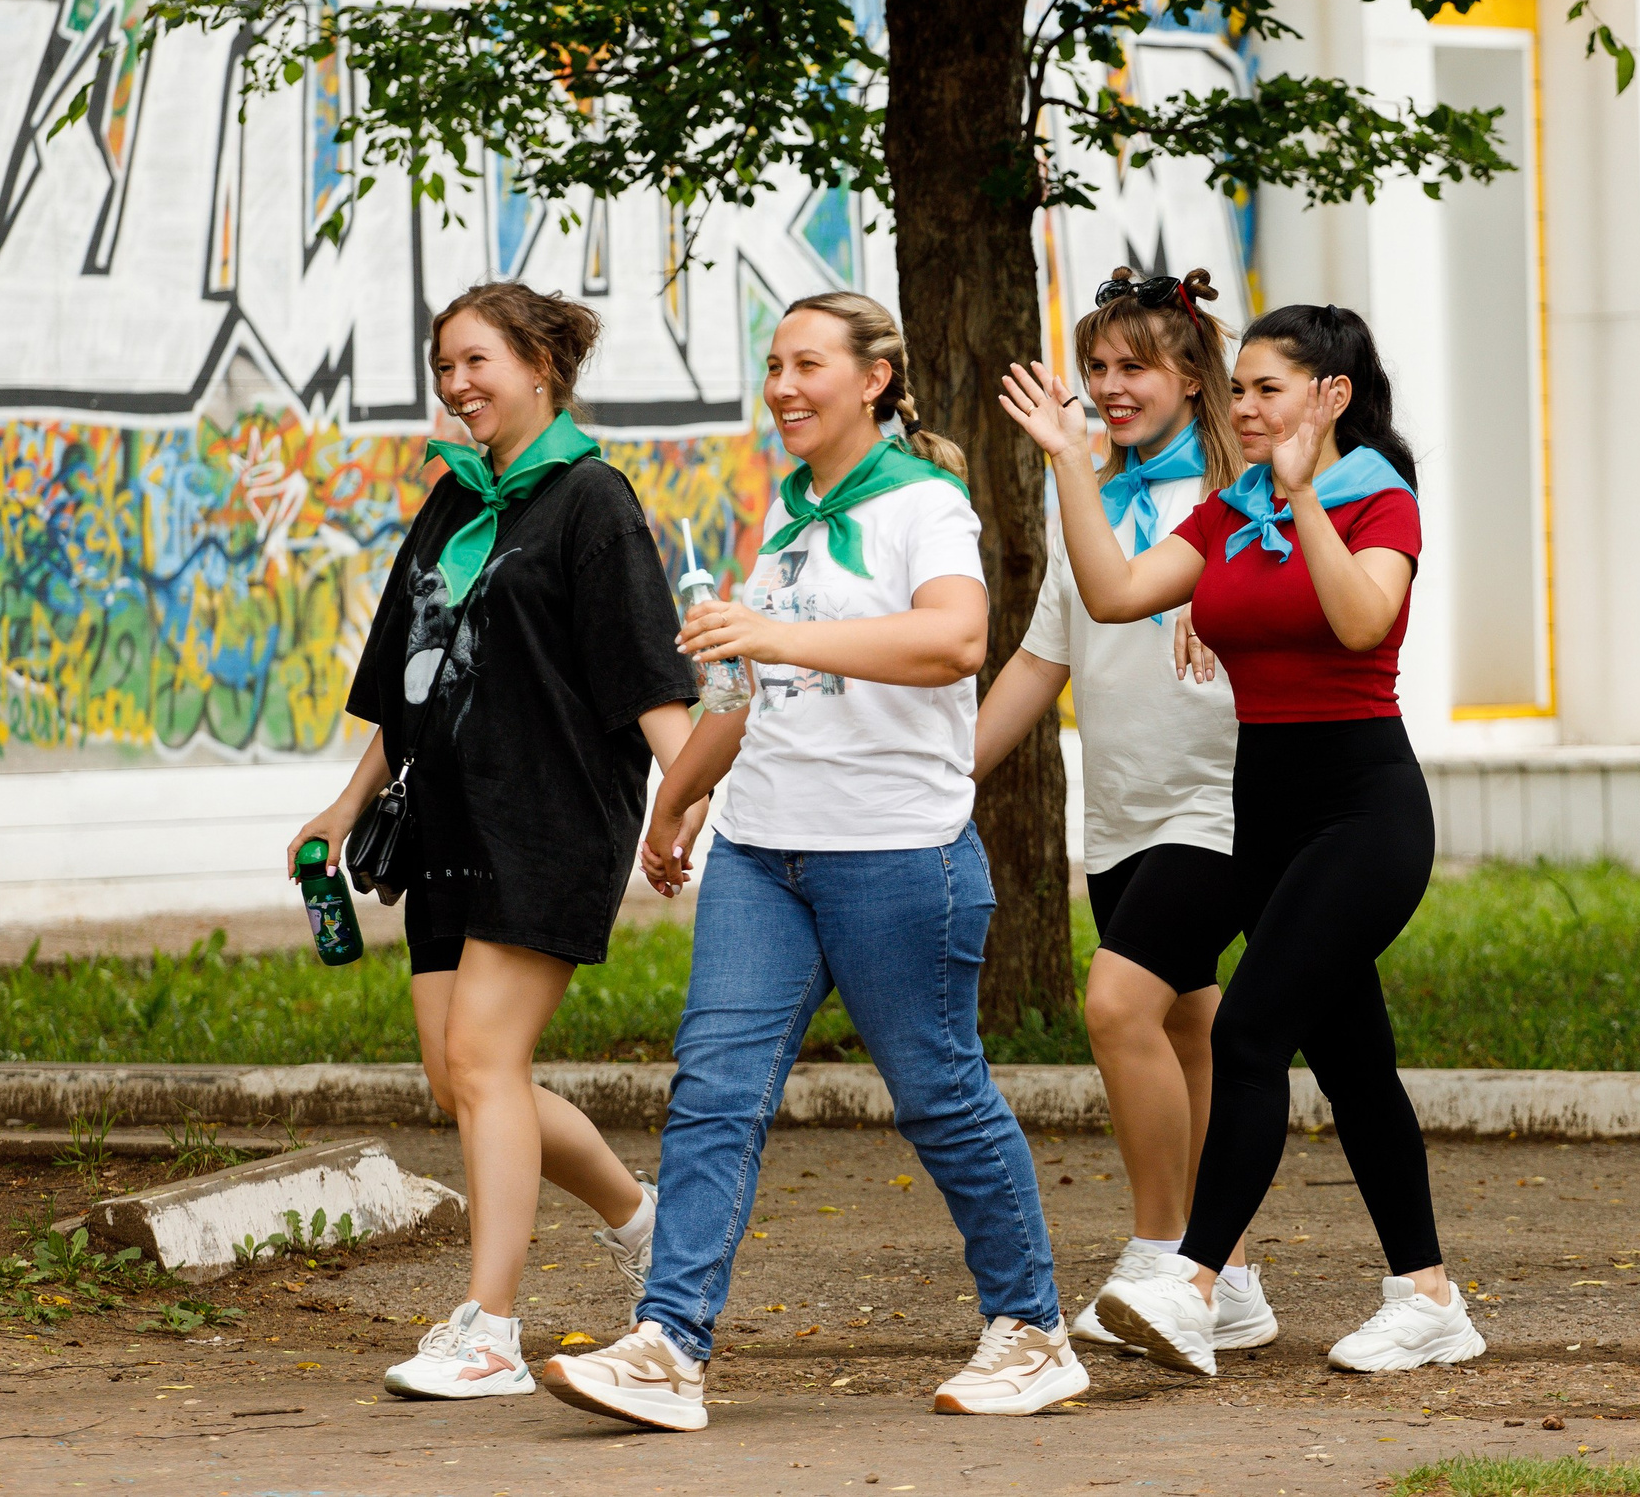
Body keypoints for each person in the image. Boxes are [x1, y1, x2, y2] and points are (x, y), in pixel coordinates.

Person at [538, 291, 1084, 1429]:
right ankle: (668, 1345)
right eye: (773, 367)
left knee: (938, 1093)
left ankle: (1031, 1327)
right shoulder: (789, 520)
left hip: (894, 852)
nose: (782, 387)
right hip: (762, 850)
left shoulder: (922, 506)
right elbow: (749, 692)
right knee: (716, 1090)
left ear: (874, 377)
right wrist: (678, 797)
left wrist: (772, 630)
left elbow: (955, 641)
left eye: (806, 365)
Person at [998, 302, 1484, 1379]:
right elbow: (1118, 592)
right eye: (1243, 388)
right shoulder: (1232, 508)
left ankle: (1196, 1281)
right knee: (1355, 1062)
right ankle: (1428, 1294)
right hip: (1264, 810)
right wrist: (1074, 463)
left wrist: (1304, 495)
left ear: (1331, 396)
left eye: (1267, 389)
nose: (1244, 407)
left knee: (1248, 1033)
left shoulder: (1378, 499)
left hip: (1363, 809)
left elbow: (1362, 620)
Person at [289, 283, 697, 1400]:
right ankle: (641, 1219)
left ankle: (492, 1328)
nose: (458, 386)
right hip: (445, 820)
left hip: (553, 815)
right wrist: (343, 803)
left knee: (482, 1059)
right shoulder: (452, 499)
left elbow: (649, 675)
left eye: (478, 362)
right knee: (463, 1076)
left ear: (540, 365)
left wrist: (687, 795)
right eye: (445, 367)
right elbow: (407, 678)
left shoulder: (590, 500)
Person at [972, 268, 1275, 1354]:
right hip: (1122, 809)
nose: (1107, 385)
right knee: (1184, 1024)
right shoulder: (1088, 492)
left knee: (1114, 1006)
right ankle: (1228, 1274)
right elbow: (1042, 655)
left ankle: (1161, 1253)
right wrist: (947, 772)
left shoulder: (1245, 500)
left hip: (1224, 802)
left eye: (1132, 366)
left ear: (1192, 378)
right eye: (1095, 366)